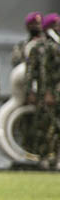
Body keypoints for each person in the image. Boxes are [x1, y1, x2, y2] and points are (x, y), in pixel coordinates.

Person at [25, 12, 60, 169]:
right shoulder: (39, 48)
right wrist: (32, 92)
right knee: (44, 127)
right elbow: (31, 73)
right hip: (43, 93)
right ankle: (44, 157)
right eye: (53, 26)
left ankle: (57, 158)